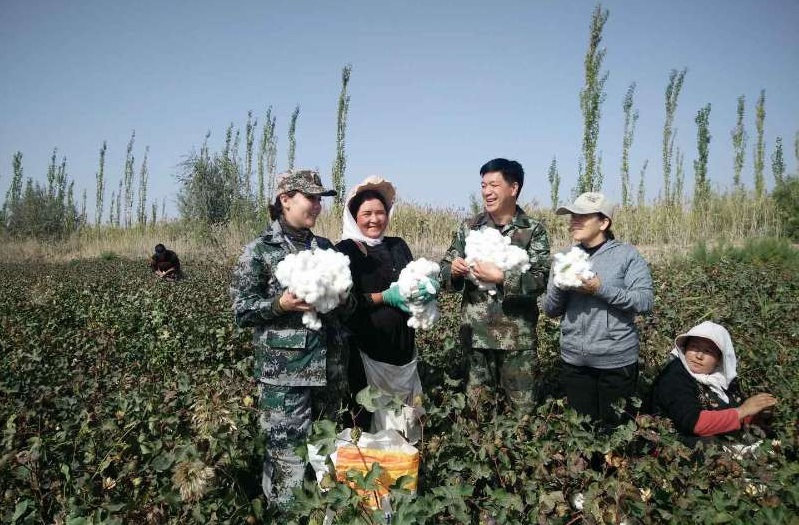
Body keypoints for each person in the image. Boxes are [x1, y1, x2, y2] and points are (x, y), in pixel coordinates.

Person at [230, 169, 355, 509]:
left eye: (319, 199)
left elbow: (350, 309)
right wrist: (280, 304)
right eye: (310, 197)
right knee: (287, 459)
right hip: (286, 379)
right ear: (285, 200)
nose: (316, 205)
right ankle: (284, 515)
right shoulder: (259, 250)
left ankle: (322, 512)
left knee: (325, 452)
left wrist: (343, 298)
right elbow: (241, 311)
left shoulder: (326, 249)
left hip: (329, 373)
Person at [439, 158, 551, 412]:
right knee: (477, 413)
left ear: (513, 188)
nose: (487, 192)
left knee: (523, 415)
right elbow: (443, 271)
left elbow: (541, 279)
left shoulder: (533, 230)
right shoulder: (469, 228)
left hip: (517, 342)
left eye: (494, 185)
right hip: (476, 339)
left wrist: (502, 277)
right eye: (483, 185)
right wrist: (453, 271)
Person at [543, 192, 653, 427]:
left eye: (582, 216)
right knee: (582, 431)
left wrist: (600, 289)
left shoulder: (626, 256)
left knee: (615, 432)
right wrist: (561, 285)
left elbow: (644, 301)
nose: (574, 221)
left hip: (616, 362)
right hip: (575, 362)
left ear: (604, 222)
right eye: (573, 216)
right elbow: (550, 310)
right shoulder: (565, 258)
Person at [335, 176, 431, 434]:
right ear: (354, 217)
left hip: (402, 353)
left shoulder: (398, 246)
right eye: (366, 214)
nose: (375, 219)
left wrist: (425, 290)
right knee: (366, 424)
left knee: (405, 424)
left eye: (380, 212)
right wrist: (386, 296)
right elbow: (344, 304)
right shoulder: (344, 252)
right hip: (365, 355)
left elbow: (413, 280)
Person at [651, 321, 777, 446]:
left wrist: (758, 413)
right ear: (685, 348)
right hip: (673, 446)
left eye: (708, 351)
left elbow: (732, 416)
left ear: (719, 359)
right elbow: (695, 423)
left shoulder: (721, 379)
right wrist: (743, 411)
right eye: (694, 347)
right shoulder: (675, 376)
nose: (699, 356)